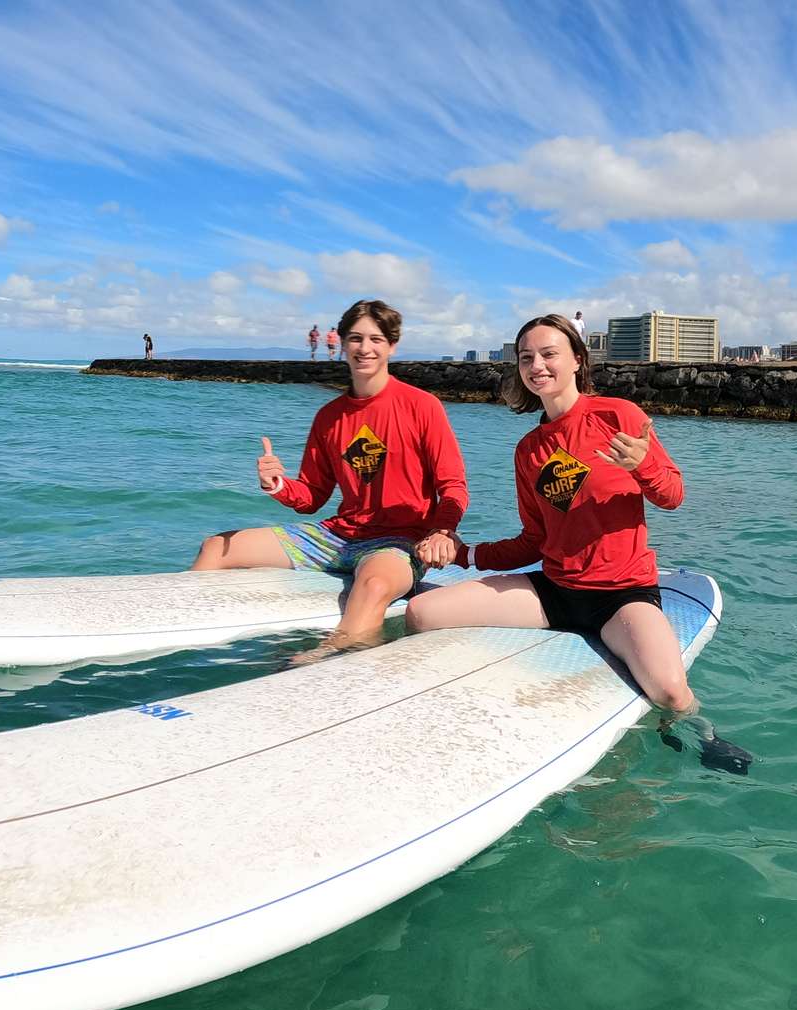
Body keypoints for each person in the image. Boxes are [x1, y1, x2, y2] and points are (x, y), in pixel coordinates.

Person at [406, 313, 748, 771]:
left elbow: (672, 495)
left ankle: (705, 735)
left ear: (577, 361)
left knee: (670, 691)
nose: (537, 365)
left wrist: (642, 466)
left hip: (621, 596)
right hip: (554, 589)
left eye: (549, 354)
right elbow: (534, 540)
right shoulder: (529, 450)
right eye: (527, 357)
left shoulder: (617, 416)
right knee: (424, 612)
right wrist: (464, 553)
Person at [193, 299, 468, 663]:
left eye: (375, 339)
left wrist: (442, 531)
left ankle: (332, 658)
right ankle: (177, 620)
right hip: (337, 537)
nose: (364, 348)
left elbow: (453, 486)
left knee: (372, 586)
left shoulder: (422, 406)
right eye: (355, 338)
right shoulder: (329, 417)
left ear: (391, 345)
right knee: (217, 546)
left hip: (399, 542)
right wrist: (277, 484)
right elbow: (312, 496)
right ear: (341, 343)